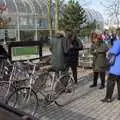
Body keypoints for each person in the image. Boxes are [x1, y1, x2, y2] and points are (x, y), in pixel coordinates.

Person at [101, 28, 120, 102]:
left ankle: (108, 98)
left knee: (110, 82)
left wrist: (108, 52)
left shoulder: (118, 42)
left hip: (116, 67)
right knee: (119, 82)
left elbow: (114, 51)